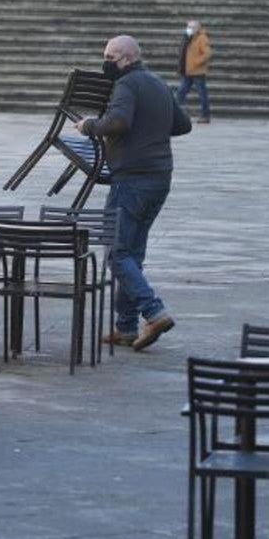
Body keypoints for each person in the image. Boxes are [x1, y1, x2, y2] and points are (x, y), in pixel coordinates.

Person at [76, 35, 191, 351]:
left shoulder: (126, 85)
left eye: (110, 57)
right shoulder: (157, 83)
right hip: (159, 178)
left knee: (117, 253)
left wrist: (89, 126)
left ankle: (154, 312)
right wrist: (151, 127)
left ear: (126, 58)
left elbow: (119, 121)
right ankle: (125, 327)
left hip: (132, 180)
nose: (106, 62)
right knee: (132, 253)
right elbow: (183, 125)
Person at [175, 20, 212, 124]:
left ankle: (205, 115)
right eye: (188, 26)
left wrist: (196, 62)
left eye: (192, 27)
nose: (189, 29)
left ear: (198, 28)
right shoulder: (188, 38)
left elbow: (207, 53)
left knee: (202, 94)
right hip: (187, 71)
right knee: (180, 93)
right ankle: (172, 112)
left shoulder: (202, 38)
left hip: (197, 72)